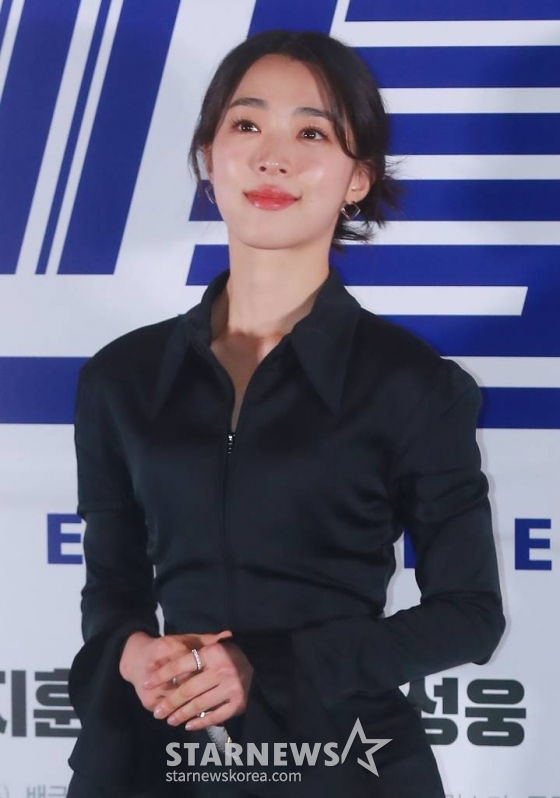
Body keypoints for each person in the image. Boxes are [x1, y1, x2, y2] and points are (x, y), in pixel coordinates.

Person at [66, 28, 506, 798]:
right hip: (163, 761)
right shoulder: (121, 379)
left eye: (311, 133)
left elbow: (469, 614)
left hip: (344, 764)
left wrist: (267, 666)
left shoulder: (414, 386)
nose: (273, 158)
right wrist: (131, 654)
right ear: (209, 158)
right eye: (247, 124)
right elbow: (112, 589)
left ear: (358, 178)